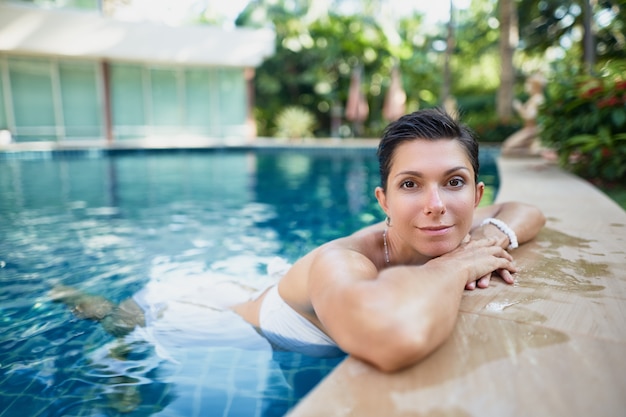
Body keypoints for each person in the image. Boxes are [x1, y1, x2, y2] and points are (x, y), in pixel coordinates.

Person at [232, 108, 546, 372]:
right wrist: (456, 265)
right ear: (385, 201)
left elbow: (525, 211)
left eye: (454, 181)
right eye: (410, 184)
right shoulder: (341, 259)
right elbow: (390, 338)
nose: (436, 204)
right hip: (232, 330)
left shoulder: (449, 220)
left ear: (477, 195)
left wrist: (487, 242)